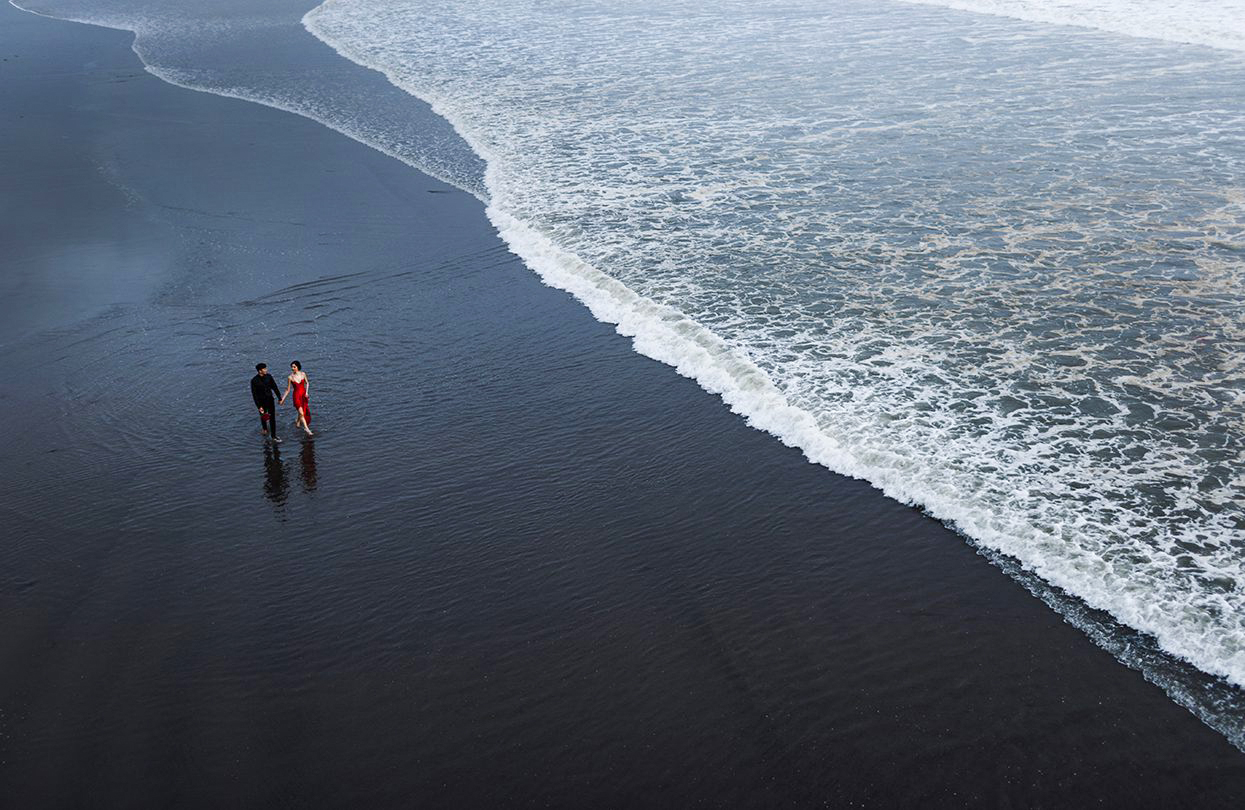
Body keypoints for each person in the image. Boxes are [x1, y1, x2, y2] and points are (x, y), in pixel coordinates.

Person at [250, 362, 282, 442]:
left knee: (272, 418)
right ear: (260, 371)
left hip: (270, 400)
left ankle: (273, 436)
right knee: (263, 416)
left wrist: (279, 397)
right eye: (264, 369)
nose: (266, 370)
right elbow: (254, 395)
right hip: (261, 402)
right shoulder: (254, 380)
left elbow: (274, 387)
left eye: (266, 368)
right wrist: (259, 406)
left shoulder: (269, 377)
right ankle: (264, 429)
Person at [280, 359, 313, 437]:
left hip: (303, 395)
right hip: (296, 396)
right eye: (292, 367)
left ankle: (298, 421)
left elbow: (307, 383)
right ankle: (306, 429)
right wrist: (282, 399)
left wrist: (307, 392)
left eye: (294, 367)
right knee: (301, 412)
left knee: (303, 410)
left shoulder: (303, 374)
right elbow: (288, 390)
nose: (292, 368)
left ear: (298, 367)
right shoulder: (290, 377)